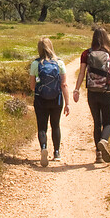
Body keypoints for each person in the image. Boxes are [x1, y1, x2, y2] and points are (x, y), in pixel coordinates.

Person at [74, 28, 110, 164]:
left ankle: (98, 155)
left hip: (92, 92)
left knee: (96, 123)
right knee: (108, 122)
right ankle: (104, 141)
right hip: (106, 91)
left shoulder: (86, 53)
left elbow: (81, 73)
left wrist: (76, 89)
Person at [29, 36, 70, 167]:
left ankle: (44, 148)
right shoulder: (59, 63)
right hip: (57, 99)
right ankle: (57, 152)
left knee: (42, 126)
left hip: (41, 99)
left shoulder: (35, 64)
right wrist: (68, 103)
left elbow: (32, 86)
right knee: (55, 125)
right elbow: (64, 84)